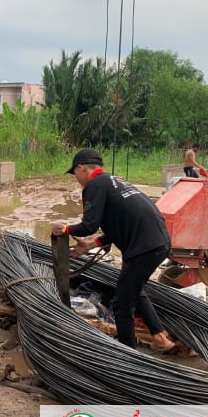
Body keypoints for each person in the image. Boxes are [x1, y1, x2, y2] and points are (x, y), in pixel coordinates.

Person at [52, 148, 176, 353]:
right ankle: (161, 338)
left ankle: (128, 357)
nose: (78, 180)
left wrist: (64, 229)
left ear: (81, 168)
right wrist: (90, 246)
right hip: (158, 243)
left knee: (121, 304)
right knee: (134, 292)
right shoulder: (116, 182)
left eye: (76, 175)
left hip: (143, 248)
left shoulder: (94, 185)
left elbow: (89, 225)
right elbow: (116, 226)